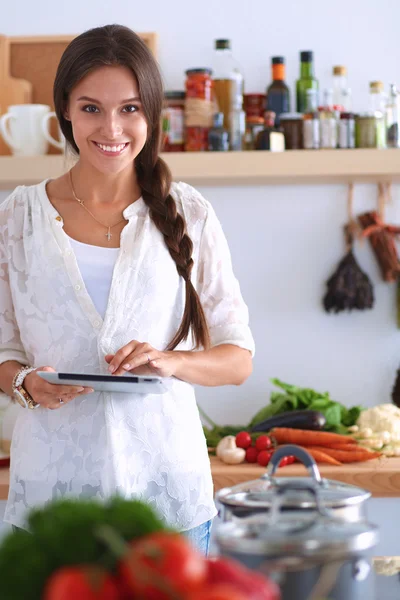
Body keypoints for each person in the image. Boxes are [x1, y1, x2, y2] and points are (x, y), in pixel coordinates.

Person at [0, 24, 254, 554]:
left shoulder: (190, 214)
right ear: (64, 110)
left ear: (151, 114)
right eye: (91, 107)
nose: (111, 127)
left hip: (169, 506)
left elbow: (237, 358)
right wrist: (23, 381)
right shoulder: (17, 218)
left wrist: (171, 361)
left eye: (130, 109)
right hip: (52, 506)